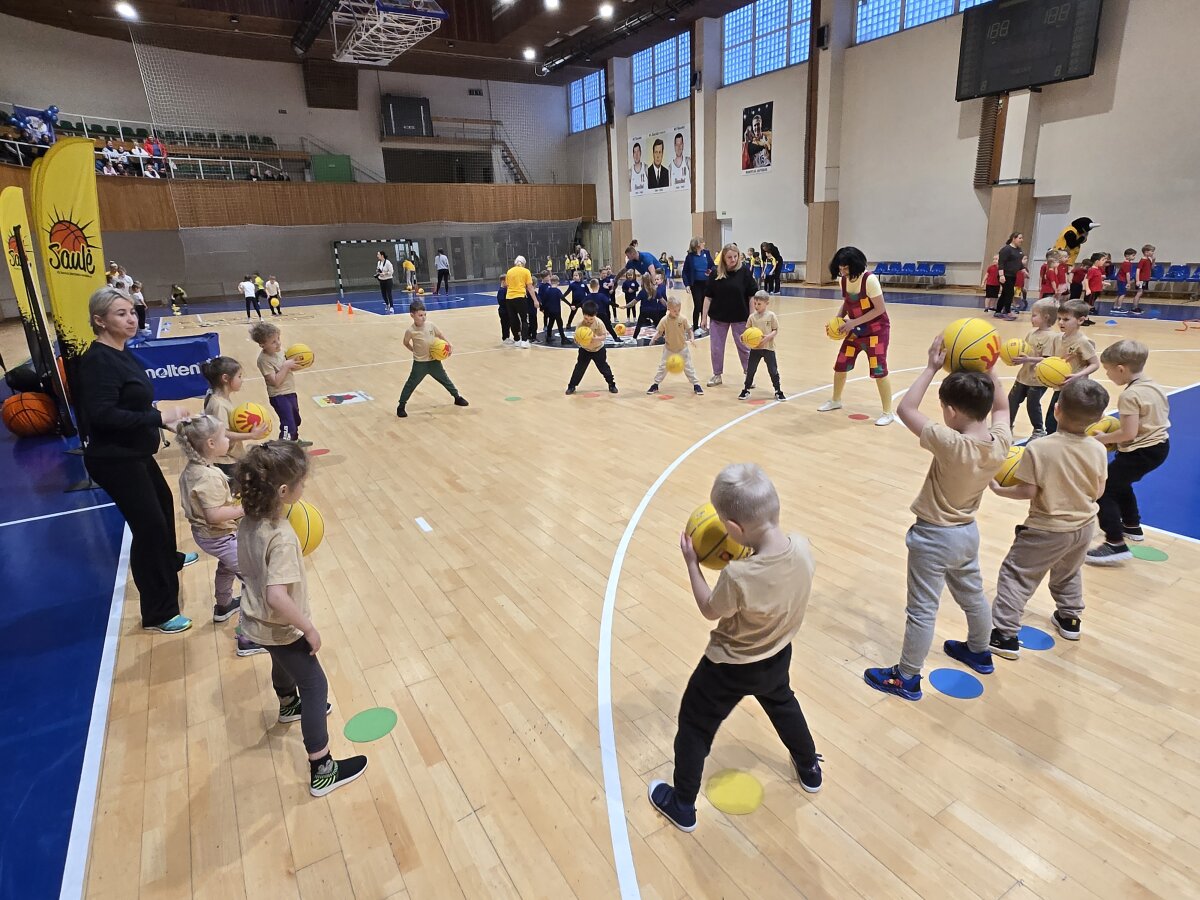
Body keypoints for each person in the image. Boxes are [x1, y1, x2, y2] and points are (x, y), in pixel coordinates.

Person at [648, 464, 822, 832]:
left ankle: (682, 804)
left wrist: (692, 564)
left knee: (694, 725)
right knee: (783, 704)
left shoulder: (738, 575)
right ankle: (809, 766)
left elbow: (710, 609)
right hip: (777, 654)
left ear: (735, 529)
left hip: (728, 667)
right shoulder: (804, 547)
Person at [863, 337, 1011, 701]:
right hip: (967, 533)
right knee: (973, 596)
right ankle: (979, 651)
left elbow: (906, 408)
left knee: (922, 609)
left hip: (934, 538)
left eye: (944, 407)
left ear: (952, 412)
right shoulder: (1001, 441)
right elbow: (1003, 407)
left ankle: (907, 677)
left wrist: (931, 367)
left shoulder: (951, 442)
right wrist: (990, 368)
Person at [235, 441, 369, 796]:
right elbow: (276, 596)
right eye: (302, 483)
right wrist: (307, 627)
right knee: (315, 686)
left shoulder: (248, 521)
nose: (304, 487)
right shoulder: (281, 538)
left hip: (255, 622)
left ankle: (287, 703)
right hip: (281, 625)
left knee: (281, 661)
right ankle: (322, 768)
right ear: (284, 491)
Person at [77, 286, 196, 634]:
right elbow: (102, 415)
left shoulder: (121, 351)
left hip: (136, 452)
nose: (131, 319)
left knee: (164, 504)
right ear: (99, 321)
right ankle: (159, 612)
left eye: (132, 312)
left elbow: (130, 401)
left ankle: (169, 560)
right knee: (149, 529)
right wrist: (157, 417)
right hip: (115, 459)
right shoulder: (97, 361)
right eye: (121, 314)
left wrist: (163, 417)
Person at [988, 379, 1110, 656]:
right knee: (1069, 571)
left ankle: (1005, 635)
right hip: (1084, 527)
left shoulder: (1039, 448)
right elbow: (1098, 491)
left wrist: (999, 489)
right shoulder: (1098, 449)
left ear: (1056, 409)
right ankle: (1070, 619)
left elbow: (1028, 491)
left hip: (1046, 528)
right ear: (1099, 418)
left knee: (1016, 575)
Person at [175, 414, 265, 657]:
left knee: (227, 567)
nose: (228, 439)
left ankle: (223, 606)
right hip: (219, 535)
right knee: (254, 579)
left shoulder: (194, 470)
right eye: (224, 436)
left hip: (208, 536)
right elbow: (214, 515)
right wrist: (244, 508)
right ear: (211, 444)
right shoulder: (209, 476)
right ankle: (247, 637)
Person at [1086, 340, 1171, 566]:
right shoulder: (1153, 385)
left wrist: (1101, 439)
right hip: (1159, 446)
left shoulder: (1129, 396)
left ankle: (1114, 543)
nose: (1107, 374)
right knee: (1121, 483)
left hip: (1140, 451)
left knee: (1104, 489)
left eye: (1108, 369)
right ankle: (1132, 526)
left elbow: (1128, 433)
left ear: (1121, 369)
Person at [817, 246, 896, 426]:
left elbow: (880, 309)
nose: (842, 271)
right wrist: (836, 321)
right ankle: (836, 400)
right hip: (856, 330)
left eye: (846, 268)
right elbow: (847, 303)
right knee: (841, 365)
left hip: (876, 331)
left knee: (879, 370)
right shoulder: (843, 280)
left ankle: (888, 412)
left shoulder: (869, 280)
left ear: (856, 265)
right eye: (840, 267)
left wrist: (853, 322)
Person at [395, 298, 470, 418]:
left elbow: (440, 335)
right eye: (420, 315)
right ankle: (401, 406)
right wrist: (413, 350)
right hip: (420, 364)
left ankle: (457, 397)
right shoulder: (410, 331)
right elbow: (405, 342)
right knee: (411, 384)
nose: (423, 317)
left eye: (425, 315)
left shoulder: (430, 326)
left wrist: (448, 344)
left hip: (434, 361)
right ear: (412, 315)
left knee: (445, 380)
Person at [201, 355, 269, 480]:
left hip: (230, 458)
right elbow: (222, 434)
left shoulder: (221, 399)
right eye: (239, 376)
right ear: (225, 378)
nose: (242, 380)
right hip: (225, 461)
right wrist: (251, 435)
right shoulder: (218, 404)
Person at [701, 243, 757, 387]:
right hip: (718, 317)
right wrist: (703, 318)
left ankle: (748, 375)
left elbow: (751, 295)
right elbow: (708, 297)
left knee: (744, 347)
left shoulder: (744, 272)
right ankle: (717, 375)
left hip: (740, 316)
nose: (733, 260)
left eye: (735, 256)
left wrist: (752, 315)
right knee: (716, 348)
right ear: (723, 258)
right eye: (729, 257)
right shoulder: (715, 273)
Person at [1044, 300, 1099, 435]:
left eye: (1066, 319)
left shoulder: (1083, 341)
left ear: (1080, 320)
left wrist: (1078, 375)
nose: (1061, 322)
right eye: (1059, 319)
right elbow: (1053, 361)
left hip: (1077, 389)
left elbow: (1095, 364)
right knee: (1051, 422)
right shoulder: (1057, 338)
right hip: (1061, 387)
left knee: (1068, 423)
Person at [1007, 298, 1058, 440]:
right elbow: (1025, 351)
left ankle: (1038, 430)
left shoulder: (1052, 337)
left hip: (1038, 379)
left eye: (1034, 315)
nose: (1031, 318)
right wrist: (1016, 358)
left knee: (1032, 405)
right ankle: (1007, 426)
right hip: (1023, 376)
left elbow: (1047, 360)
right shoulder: (1031, 333)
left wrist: (1028, 359)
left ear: (1046, 317)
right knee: (1011, 401)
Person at [252, 321, 310, 446]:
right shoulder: (263, 360)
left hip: (290, 392)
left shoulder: (280, 351)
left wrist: (300, 364)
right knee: (288, 423)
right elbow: (275, 382)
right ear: (262, 345)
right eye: (273, 342)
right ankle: (282, 448)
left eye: (278, 338)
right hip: (278, 396)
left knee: (296, 420)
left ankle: (294, 442)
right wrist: (286, 366)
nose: (278, 343)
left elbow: (288, 368)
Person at [646, 296, 703, 396]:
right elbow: (659, 332)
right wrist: (653, 339)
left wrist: (692, 338)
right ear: (669, 309)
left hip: (682, 348)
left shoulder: (683, 319)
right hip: (669, 349)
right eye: (675, 311)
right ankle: (655, 384)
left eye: (679, 310)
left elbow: (689, 330)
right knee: (662, 367)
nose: (677, 312)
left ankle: (696, 384)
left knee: (689, 367)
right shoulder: (664, 320)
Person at [565, 301, 617, 395]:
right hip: (585, 350)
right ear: (583, 315)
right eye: (586, 318)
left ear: (595, 315)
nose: (588, 321)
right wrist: (577, 340)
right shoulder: (580, 324)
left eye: (591, 319)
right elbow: (576, 337)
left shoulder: (599, 323)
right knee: (579, 369)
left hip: (598, 350)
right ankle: (572, 386)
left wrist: (595, 338)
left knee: (604, 368)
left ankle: (611, 384)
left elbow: (604, 336)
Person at [740, 290, 784, 402]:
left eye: (759, 304)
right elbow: (748, 332)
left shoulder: (771, 316)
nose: (756, 306)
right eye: (755, 303)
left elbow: (775, 330)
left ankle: (778, 390)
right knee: (750, 370)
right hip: (755, 349)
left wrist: (768, 337)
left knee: (773, 370)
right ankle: (746, 389)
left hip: (768, 348)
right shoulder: (752, 317)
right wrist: (743, 337)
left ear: (766, 303)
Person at [503, 255, 539, 348]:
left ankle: (517, 340)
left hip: (509, 298)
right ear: (523, 263)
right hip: (520, 297)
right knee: (524, 319)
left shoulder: (509, 271)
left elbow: (507, 285)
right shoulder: (526, 271)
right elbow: (530, 287)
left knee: (513, 319)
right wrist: (535, 300)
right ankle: (524, 340)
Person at [681, 238, 715, 333]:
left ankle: (703, 325)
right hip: (695, 284)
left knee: (705, 305)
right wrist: (687, 285)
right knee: (698, 305)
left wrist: (711, 270)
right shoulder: (690, 257)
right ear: (697, 245)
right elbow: (685, 272)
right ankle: (695, 327)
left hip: (706, 283)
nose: (704, 243)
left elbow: (713, 265)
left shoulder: (706, 253)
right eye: (702, 242)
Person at [995, 232, 1024, 320]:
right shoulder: (1006, 249)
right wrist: (1001, 275)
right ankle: (1007, 312)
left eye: (1022, 238)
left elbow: (1019, 262)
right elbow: (1001, 263)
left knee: (1005, 293)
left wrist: (1023, 270)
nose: (1022, 240)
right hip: (1005, 275)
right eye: (1020, 238)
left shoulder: (1019, 250)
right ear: (1014, 239)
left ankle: (998, 311)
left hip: (1012, 275)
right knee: (1010, 293)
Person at [587, 277, 622, 343]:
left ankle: (587, 338)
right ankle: (615, 338)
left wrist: (575, 306)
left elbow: (582, 303)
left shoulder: (588, 296)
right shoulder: (601, 296)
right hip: (602, 314)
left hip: (592, 314)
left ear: (590, 287)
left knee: (590, 326)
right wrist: (617, 305)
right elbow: (608, 302)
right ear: (598, 286)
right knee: (608, 326)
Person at [632, 273, 666, 342]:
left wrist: (626, 306)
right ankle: (665, 335)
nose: (656, 281)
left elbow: (634, 302)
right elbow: (662, 300)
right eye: (655, 279)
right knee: (658, 324)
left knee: (640, 324)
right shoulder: (654, 289)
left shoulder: (644, 291)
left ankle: (634, 338)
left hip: (650, 310)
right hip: (655, 310)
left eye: (657, 279)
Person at [1081, 251, 1109, 325]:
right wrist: (1088, 289)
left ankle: (1086, 319)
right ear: (1097, 261)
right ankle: (1083, 320)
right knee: (1087, 306)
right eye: (1102, 260)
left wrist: (1103, 283)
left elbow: (1096, 280)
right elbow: (1086, 280)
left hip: (1096, 290)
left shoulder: (1098, 269)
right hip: (1092, 291)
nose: (1104, 261)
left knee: (1090, 305)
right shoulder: (1092, 270)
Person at [540, 275, 567, 345]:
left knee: (550, 323)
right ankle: (563, 338)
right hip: (557, 310)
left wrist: (542, 308)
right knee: (559, 324)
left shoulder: (547, 290)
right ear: (558, 282)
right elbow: (563, 298)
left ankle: (548, 337)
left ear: (550, 281)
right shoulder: (557, 291)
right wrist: (570, 304)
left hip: (550, 310)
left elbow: (544, 300)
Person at [1129, 243, 1154, 315]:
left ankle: (1136, 306)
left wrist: (1153, 260)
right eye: (1151, 251)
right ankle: (1134, 308)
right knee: (1139, 293)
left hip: (1145, 279)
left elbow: (1152, 267)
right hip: (1141, 279)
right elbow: (1138, 270)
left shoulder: (1148, 260)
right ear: (1146, 252)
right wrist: (1137, 280)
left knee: (1141, 293)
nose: (1153, 253)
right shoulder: (1142, 260)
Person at [1113, 248, 1137, 313]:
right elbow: (1127, 274)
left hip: (1120, 280)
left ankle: (1115, 307)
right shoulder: (1127, 264)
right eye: (1133, 255)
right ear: (1127, 256)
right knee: (1122, 294)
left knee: (1119, 294)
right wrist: (1128, 283)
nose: (1134, 257)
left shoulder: (1125, 263)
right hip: (1122, 281)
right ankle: (1118, 307)